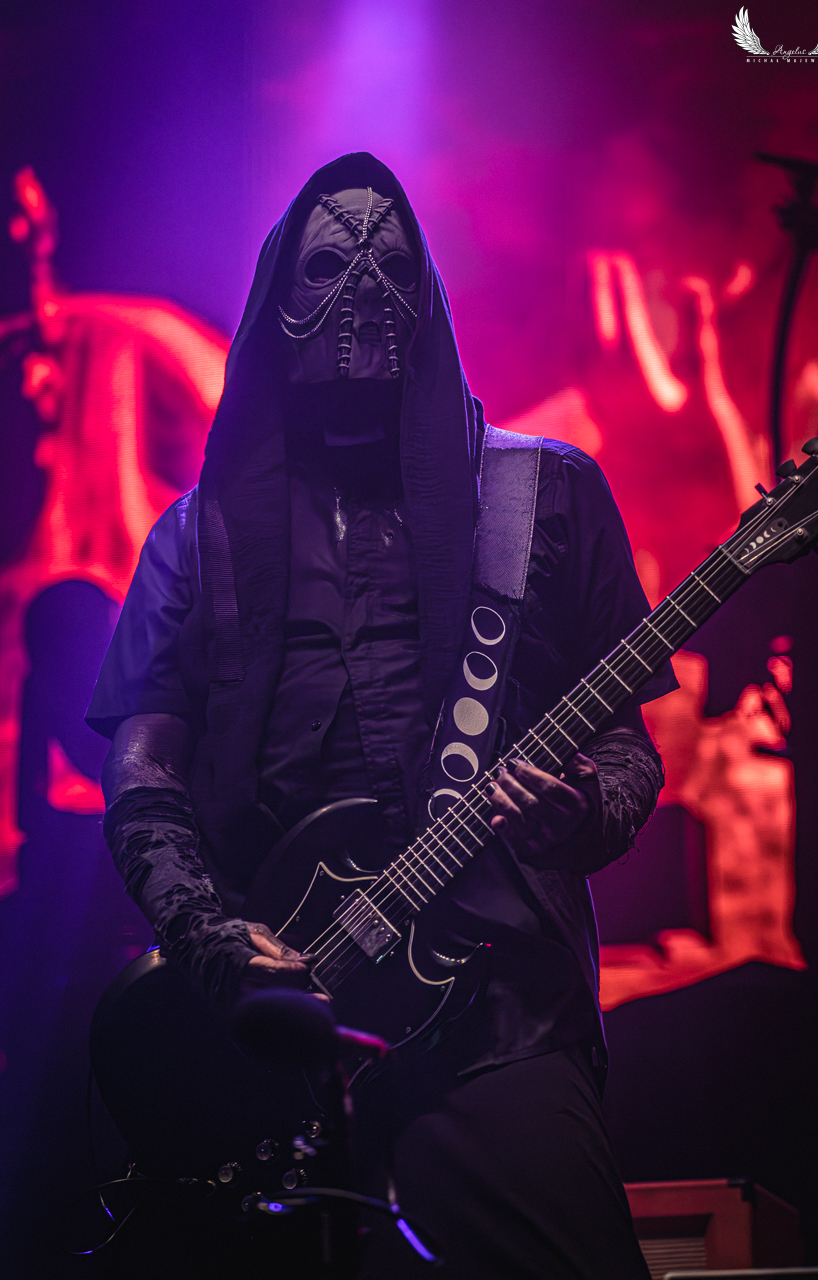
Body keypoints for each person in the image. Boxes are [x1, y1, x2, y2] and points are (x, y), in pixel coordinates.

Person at [87, 152, 674, 1279]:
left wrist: (579, 811)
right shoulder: (194, 538)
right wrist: (207, 938)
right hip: (272, 1016)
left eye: (393, 268)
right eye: (327, 267)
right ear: (276, 303)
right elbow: (144, 765)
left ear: (431, 297)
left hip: (497, 1015)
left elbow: (623, 747)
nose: (363, 290)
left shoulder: (546, 495)